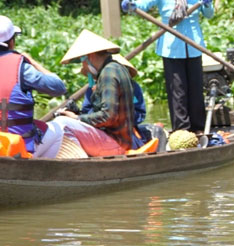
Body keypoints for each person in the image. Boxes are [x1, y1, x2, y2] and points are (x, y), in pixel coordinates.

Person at [121, 0, 214, 133]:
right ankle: (182, 132)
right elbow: (142, 4)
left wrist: (208, 2)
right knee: (177, 92)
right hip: (171, 47)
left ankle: (199, 129)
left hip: (194, 45)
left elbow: (209, 14)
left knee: (196, 90)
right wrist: (131, 4)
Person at [54, 30, 141, 157]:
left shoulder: (108, 73)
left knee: (63, 124)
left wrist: (76, 119)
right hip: (119, 140)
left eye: (83, 61)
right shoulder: (116, 68)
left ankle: (78, 163)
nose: (83, 65)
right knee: (64, 122)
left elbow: (108, 116)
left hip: (116, 143)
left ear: (91, 56)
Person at [0, 16, 66, 158]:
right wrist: (34, 63)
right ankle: (36, 173)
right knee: (59, 130)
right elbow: (59, 87)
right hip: (15, 147)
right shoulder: (21, 68)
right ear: (11, 42)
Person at [80, 54, 150, 141]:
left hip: (125, 131)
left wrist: (119, 112)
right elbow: (86, 110)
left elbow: (140, 113)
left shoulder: (133, 87)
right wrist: (98, 98)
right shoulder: (93, 88)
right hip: (99, 127)